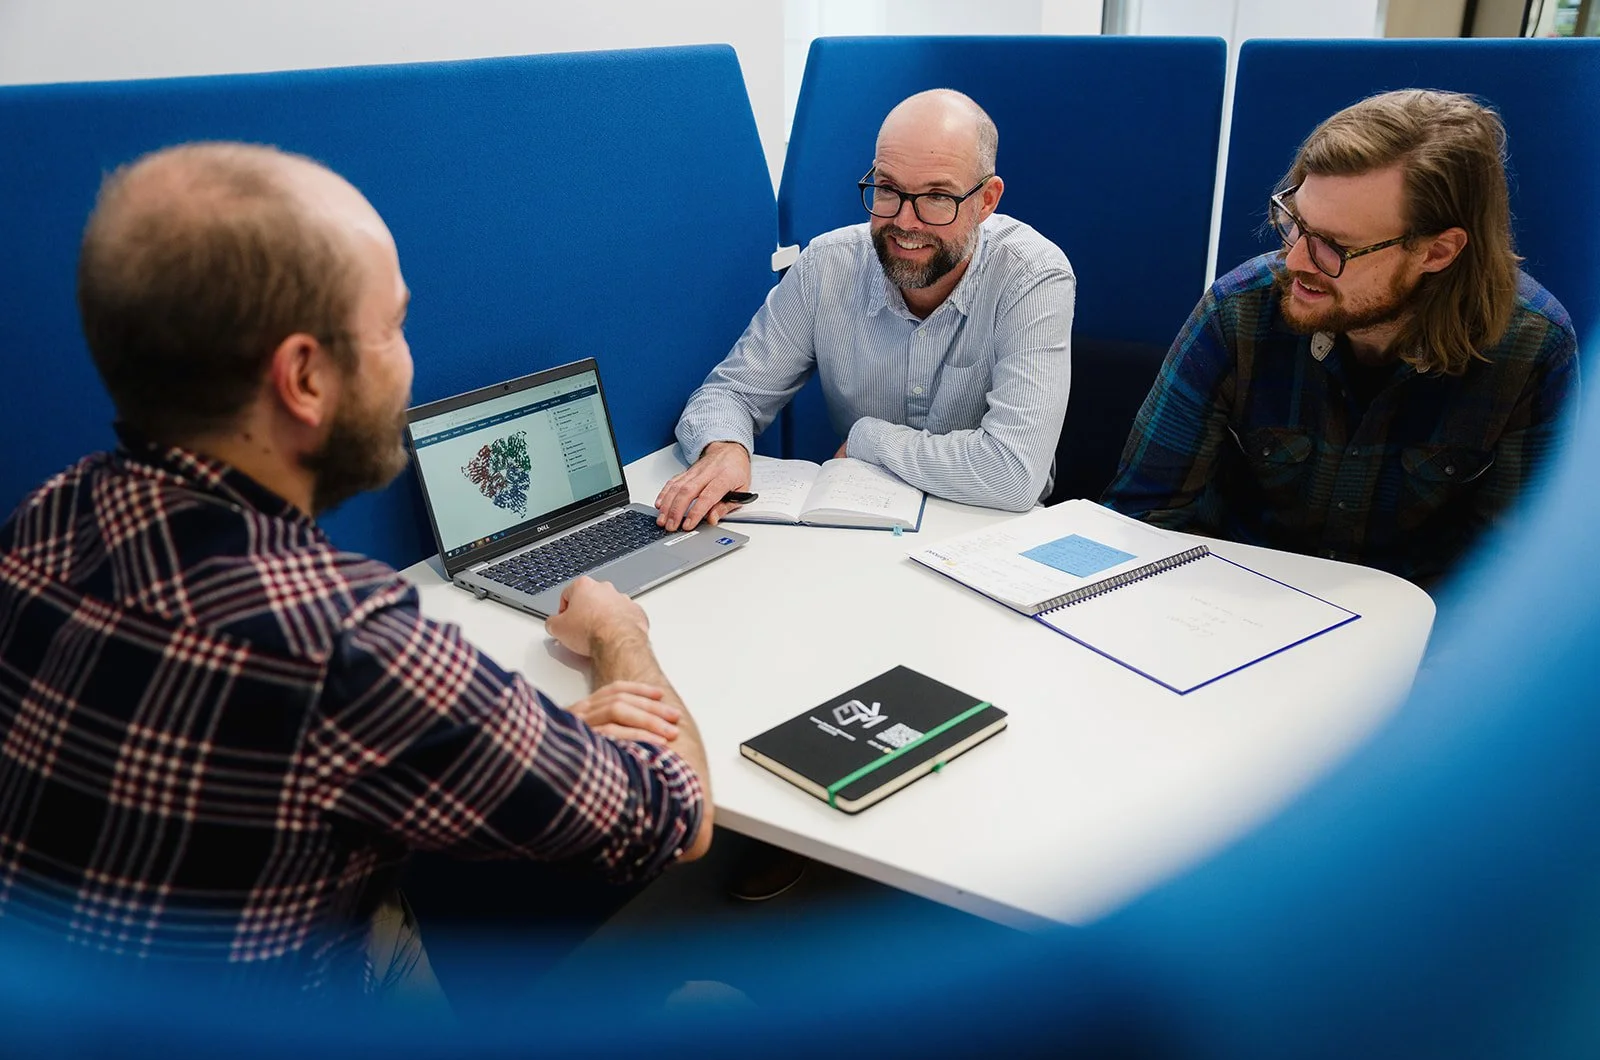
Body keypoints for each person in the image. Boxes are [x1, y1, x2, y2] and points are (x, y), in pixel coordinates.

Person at [0, 142, 712, 996]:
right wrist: (618, 630)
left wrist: (511, 740)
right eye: (394, 326)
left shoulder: (47, 513)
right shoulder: (347, 644)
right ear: (304, 376)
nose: (408, 360)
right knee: (705, 998)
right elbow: (679, 814)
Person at [1103, 89, 1579, 586]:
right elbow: (1140, 518)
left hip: (1417, 643)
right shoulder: (1239, 312)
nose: (1295, 262)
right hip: (1232, 615)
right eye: (1295, 224)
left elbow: (1519, 577)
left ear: (1436, 252)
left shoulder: (1531, 347)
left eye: (1334, 246)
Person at [656, 88, 1075, 530]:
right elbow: (729, 394)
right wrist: (725, 449)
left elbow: (1013, 473)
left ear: (986, 201)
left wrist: (868, 439)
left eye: (937, 197)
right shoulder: (827, 265)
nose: (906, 223)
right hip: (861, 531)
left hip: (988, 534)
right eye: (888, 189)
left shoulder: (1032, 276)